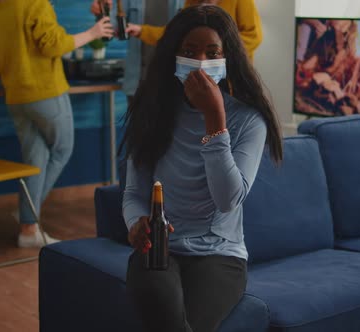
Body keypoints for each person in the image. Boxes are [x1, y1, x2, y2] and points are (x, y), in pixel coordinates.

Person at [122, 5, 282, 332]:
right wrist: (136, 224)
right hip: (160, 249)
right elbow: (134, 193)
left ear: (228, 59)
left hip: (220, 256)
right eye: (190, 52)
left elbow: (227, 199)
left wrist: (215, 121)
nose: (201, 62)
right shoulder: (152, 112)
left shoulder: (249, 121)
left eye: (212, 53)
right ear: (173, 57)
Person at [0, 0, 114, 248]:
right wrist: (93, 33)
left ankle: (28, 228)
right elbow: (54, 45)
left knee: (35, 160)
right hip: (46, 93)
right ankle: (27, 215)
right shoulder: (34, 4)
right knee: (62, 149)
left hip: (15, 97)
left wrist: (17, 68)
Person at [91, 0, 184, 104]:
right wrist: (103, 11)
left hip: (175, 82)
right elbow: (114, 28)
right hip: (139, 82)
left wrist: (141, 30)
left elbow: (184, 32)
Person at [125, 0, 263, 61]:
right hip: (197, 73)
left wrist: (216, 51)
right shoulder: (191, 2)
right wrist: (141, 31)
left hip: (233, 76)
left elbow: (253, 36)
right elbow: (177, 34)